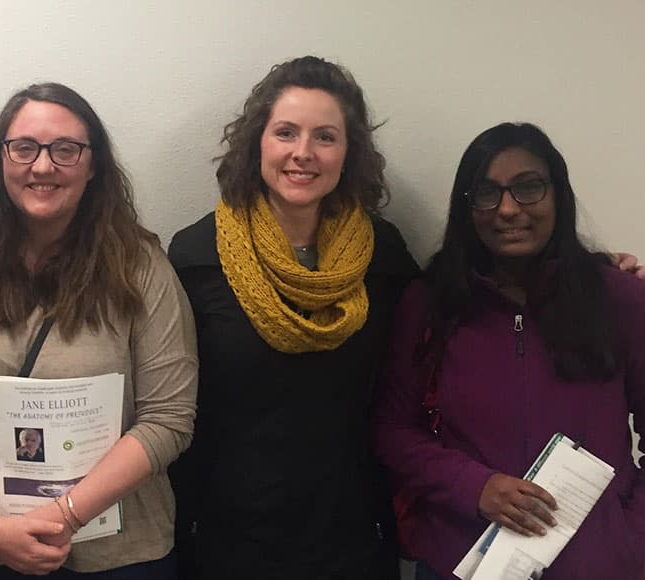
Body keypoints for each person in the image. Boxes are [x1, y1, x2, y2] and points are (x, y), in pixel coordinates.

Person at [0, 82, 197, 579]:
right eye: (23, 148)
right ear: (2, 160)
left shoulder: (142, 267)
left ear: (93, 166)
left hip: (124, 557)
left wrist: (62, 516)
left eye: (65, 149)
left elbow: (169, 418)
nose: (42, 166)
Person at [166, 56, 419, 579]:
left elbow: (457, 321)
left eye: (325, 137)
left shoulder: (384, 254)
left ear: (348, 154)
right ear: (258, 142)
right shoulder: (196, 255)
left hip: (350, 533)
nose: (303, 153)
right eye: (286, 132)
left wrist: (599, 271)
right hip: (230, 537)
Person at [373, 122, 645, 579]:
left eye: (528, 188)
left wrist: (629, 538)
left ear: (558, 194)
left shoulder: (618, 298)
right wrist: (474, 487)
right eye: (486, 192)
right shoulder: (431, 303)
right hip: (462, 561)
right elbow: (392, 430)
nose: (506, 209)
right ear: (466, 207)